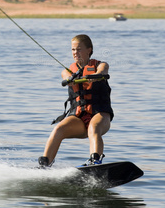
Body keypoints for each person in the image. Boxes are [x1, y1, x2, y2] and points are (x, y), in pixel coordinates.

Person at [38, 34, 114, 167]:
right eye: (73, 50)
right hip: (78, 117)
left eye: (78, 49)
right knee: (59, 129)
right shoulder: (68, 70)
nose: (75, 53)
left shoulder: (100, 65)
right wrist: (70, 79)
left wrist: (96, 76)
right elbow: (65, 76)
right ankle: (44, 165)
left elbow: (103, 70)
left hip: (100, 114)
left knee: (93, 127)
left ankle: (95, 161)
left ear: (89, 50)